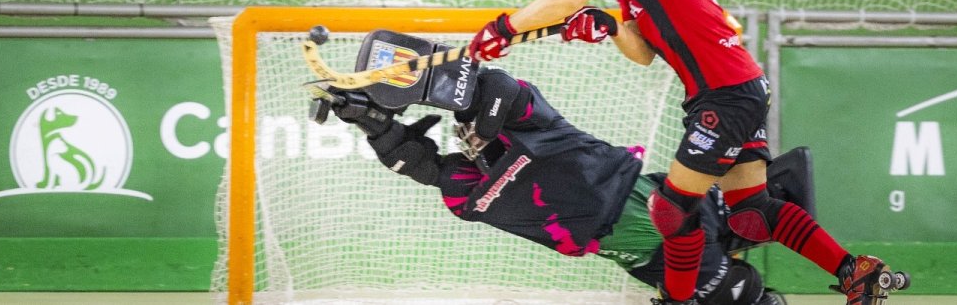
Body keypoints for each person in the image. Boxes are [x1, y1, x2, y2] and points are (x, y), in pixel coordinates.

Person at [468, 0, 901, 305]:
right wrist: (610, 25)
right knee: (751, 214)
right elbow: (643, 52)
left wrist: (505, 28)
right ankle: (855, 272)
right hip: (734, 89)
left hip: (726, 93)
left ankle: (677, 301)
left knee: (671, 209)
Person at [312, 30, 797, 305]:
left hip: (648, 216)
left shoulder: (513, 119)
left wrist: (413, 85)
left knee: (747, 298)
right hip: (645, 240)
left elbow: (495, 90)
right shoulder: (473, 186)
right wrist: (372, 123)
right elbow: (418, 164)